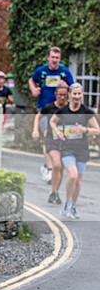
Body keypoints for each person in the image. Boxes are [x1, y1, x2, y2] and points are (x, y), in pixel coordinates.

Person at [49, 83, 99, 219]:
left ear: (82, 95)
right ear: (69, 95)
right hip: (67, 149)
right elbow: (52, 122)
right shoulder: (63, 111)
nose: (77, 97)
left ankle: (73, 206)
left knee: (78, 181)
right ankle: (67, 203)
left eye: (79, 94)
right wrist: (57, 131)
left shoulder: (87, 112)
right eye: (74, 94)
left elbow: (97, 130)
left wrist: (85, 130)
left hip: (82, 150)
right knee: (72, 175)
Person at [29, 47, 75, 182]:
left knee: (58, 139)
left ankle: (51, 165)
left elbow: (72, 87)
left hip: (61, 109)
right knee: (47, 136)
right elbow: (31, 80)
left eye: (57, 58)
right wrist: (33, 89)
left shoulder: (64, 71)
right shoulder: (41, 71)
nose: (54, 60)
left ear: (60, 59)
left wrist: (67, 88)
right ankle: (49, 169)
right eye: (52, 57)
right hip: (45, 108)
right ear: (48, 58)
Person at [33, 84, 69, 204]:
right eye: (60, 95)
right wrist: (35, 130)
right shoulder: (49, 107)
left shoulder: (70, 109)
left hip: (65, 142)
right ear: (55, 95)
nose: (62, 98)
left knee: (61, 167)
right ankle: (54, 192)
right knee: (57, 165)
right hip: (51, 140)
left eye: (64, 95)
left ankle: (55, 192)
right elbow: (38, 116)